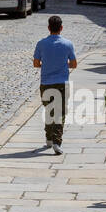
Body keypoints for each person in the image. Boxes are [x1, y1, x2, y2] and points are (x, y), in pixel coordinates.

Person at [33, 15, 77, 155]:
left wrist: (47, 64)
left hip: (46, 83)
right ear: (61, 28)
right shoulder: (67, 44)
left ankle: (48, 139)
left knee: (49, 111)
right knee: (60, 113)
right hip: (62, 83)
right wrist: (63, 64)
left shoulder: (41, 43)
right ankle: (57, 142)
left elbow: (36, 63)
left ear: (48, 28)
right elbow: (74, 64)